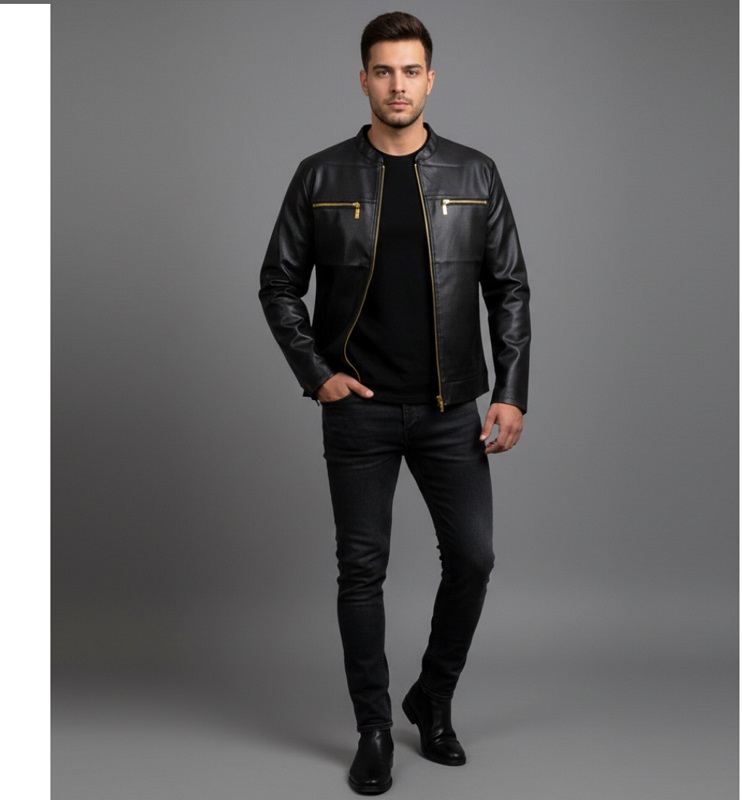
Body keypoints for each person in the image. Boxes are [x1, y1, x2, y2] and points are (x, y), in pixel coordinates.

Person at [258, 11, 530, 795]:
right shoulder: (321, 176)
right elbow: (278, 284)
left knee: (473, 560)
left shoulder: (475, 174)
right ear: (364, 80)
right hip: (360, 410)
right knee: (361, 571)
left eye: (411, 71)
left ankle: (431, 698)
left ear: (430, 80)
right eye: (384, 71)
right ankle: (373, 728)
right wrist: (317, 374)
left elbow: (509, 289)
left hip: (451, 410)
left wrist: (510, 391)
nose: (398, 85)